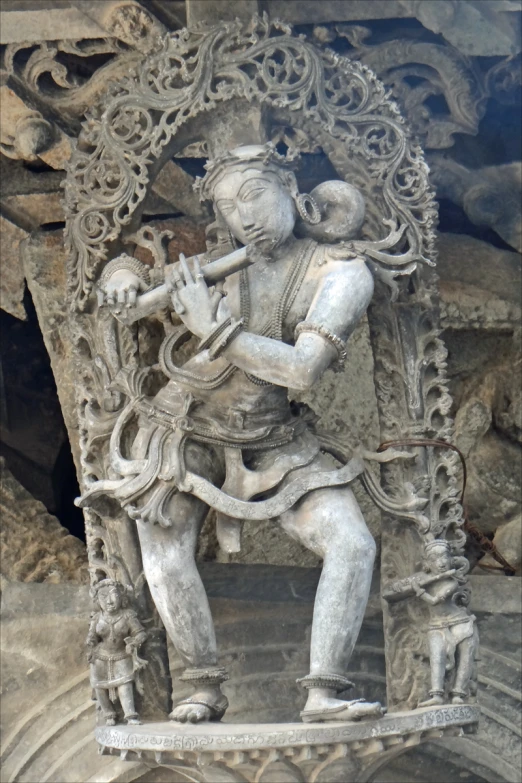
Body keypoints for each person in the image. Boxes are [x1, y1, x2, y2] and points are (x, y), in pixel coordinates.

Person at [86, 143, 383, 723]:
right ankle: (203, 687)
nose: (242, 217)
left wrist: (212, 329)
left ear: (292, 193)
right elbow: (135, 275)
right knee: (164, 545)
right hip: (186, 424)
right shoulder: (222, 261)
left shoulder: (342, 272)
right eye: (226, 206)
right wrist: (121, 276)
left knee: (352, 542)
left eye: (253, 196)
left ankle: (325, 691)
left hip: (272, 434)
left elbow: (301, 368)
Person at [410, 540, 478, 707]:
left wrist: (418, 591)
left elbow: (434, 601)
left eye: (444, 557)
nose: (440, 563)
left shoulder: (451, 582)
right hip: (436, 624)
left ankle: (458, 694)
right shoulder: (423, 578)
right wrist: (415, 583)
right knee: (437, 657)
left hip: (460, 622)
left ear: (451, 559)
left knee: (465, 657)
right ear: (427, 564)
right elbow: (391, 592)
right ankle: (437, 694)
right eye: (434, 559)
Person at [87, 579, 148, 725]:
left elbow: (141, 634)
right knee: (99, 685)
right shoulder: (97, 618)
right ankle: (109, 714)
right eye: (103, 597)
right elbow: (92, 636)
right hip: (100, 657)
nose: (109, 601)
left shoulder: (127, 616)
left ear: (121, 597)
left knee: (125, 683)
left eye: (114, 595)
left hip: (122, 655)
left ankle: (130, 715)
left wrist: (134, 642)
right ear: (97, 601)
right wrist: (90, 641)